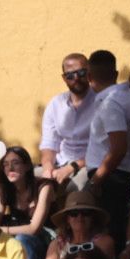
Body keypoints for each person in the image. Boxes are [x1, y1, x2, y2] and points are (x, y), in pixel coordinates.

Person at [84, 49, 130, 233]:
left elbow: (118, 148)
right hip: (122, 175)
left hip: (108, 177)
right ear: (116, 74)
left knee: (106, 232)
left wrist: (95, 181)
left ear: (89, 76)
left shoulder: (110, 102)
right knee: (116, 228)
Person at [0, 144, 55, 259]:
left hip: (45, 239)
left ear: (27, 166)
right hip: (16, 236)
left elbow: (34, 228)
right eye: (5, 164)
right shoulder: (4, 188)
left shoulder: (44, 187)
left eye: (15, 163)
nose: (10, 168)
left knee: (21, 239)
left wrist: (0, 230)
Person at [39, 52, 98, 182]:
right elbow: (49, 143)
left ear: (89, 73)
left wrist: (72, 167)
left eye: (81, 73)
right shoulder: (56, 104)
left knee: (76, 189)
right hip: (59, 164)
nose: (76, 78)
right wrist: (48, 168)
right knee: (26, 181)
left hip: (88, 166)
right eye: (70, 75)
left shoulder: (101, 102)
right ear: (64, 78)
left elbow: (105, 148)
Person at [39, 188, 116, 259]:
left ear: (93, 217)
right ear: (67, 219)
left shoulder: (104, 242)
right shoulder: (56, 244)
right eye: (74, 213)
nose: (80, 217)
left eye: (85, 213)